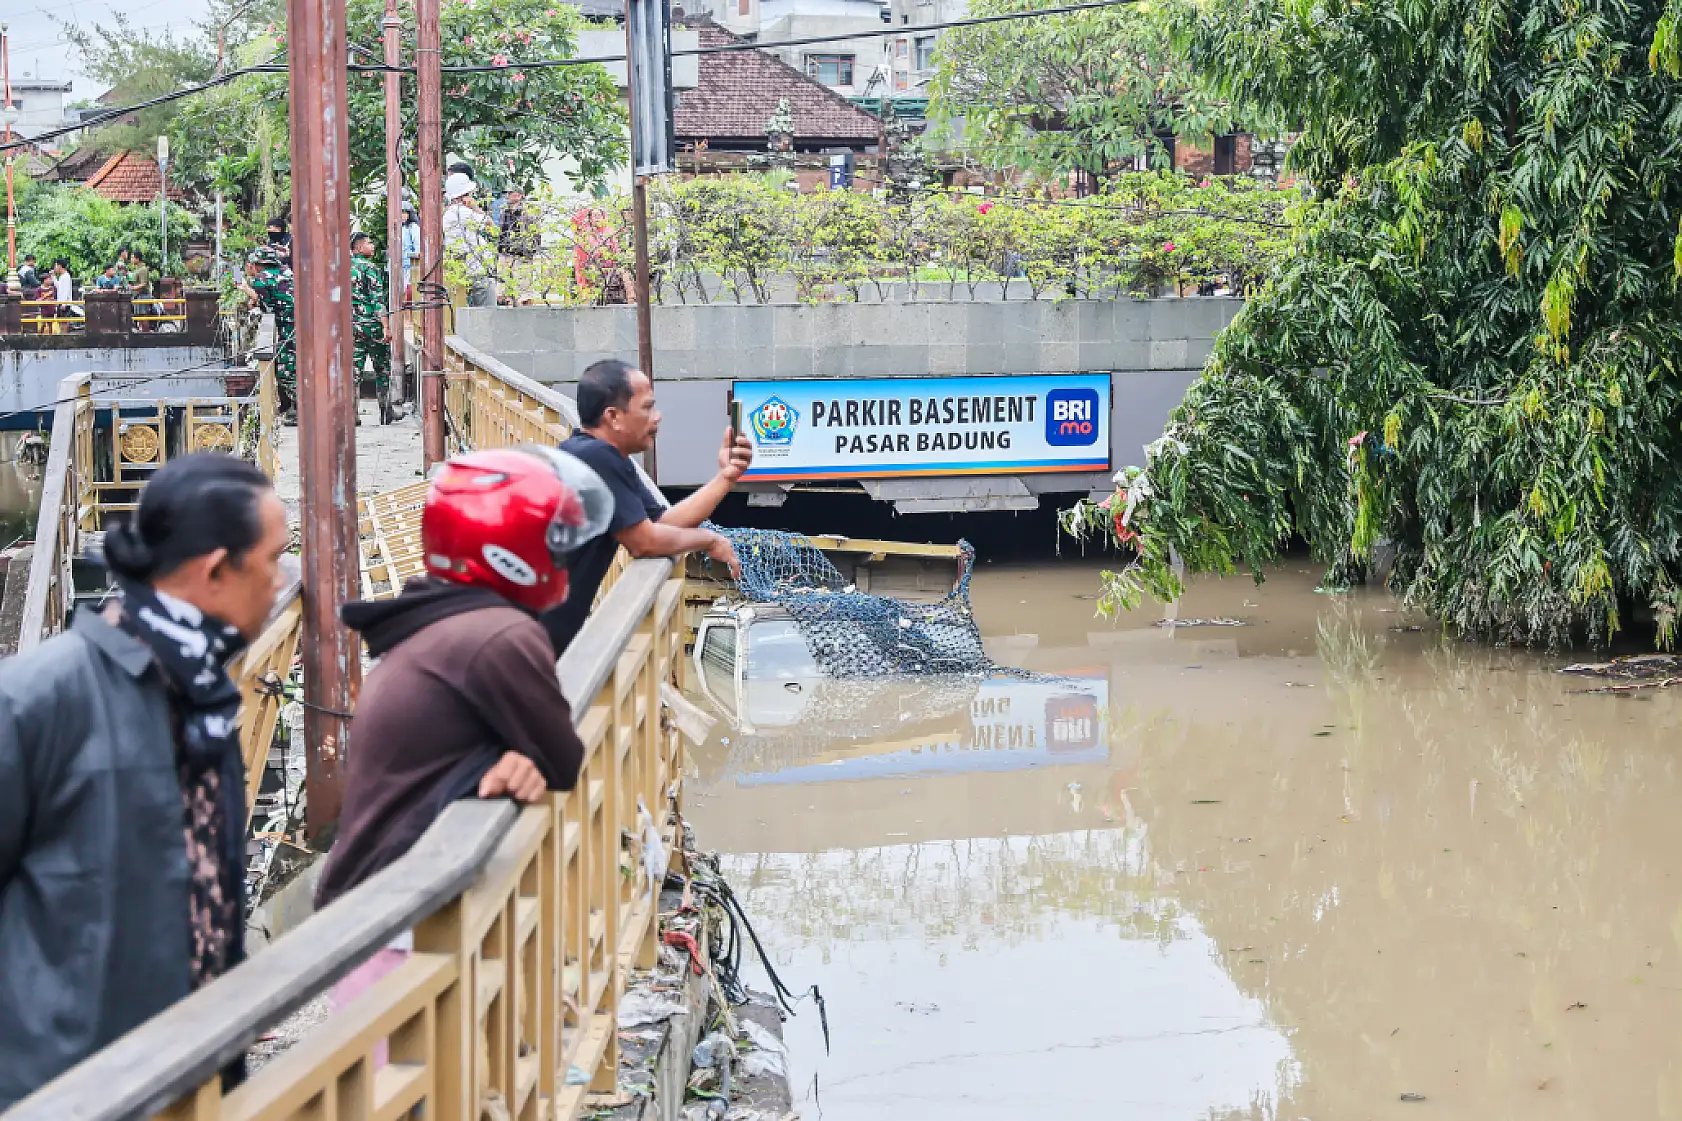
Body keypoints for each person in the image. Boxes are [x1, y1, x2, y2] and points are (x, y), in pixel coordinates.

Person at [0, 454, 290, 1110]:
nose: (280, 584)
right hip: (68, 1089)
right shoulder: (39, 697)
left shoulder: (203, 689)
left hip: (189, 1076)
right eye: (273, 560)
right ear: (215, 569)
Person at [314, 447, 611, 1022]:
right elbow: (562, 757)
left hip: (377, 907)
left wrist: (497, 759)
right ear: (511, 551)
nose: (565, 560)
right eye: (553, 543)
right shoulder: (500, 634)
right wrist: (512, 756)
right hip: (398, 922)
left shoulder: (438, 617)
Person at [540, 359, 749, 655]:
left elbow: (663, 523)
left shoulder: (596, 454)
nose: (657, 418)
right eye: (648, 408)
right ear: (613, 416)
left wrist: (726, 478)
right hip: (523, 638)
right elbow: (645, 543)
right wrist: (708, 539)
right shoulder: (598, 457)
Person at [238, 246, 298, 420]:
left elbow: (268, 309)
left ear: (257, 264)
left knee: (287, 370)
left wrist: (250, 293)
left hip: (289, 327)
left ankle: (299, 410)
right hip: (303, 324)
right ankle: (290, 406)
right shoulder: (287, 272)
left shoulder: (261, 280)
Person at [350, 232, 393, 425]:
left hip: (351, 327)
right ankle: (385, 409)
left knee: (353, 371)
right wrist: (386, 326)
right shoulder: (370, 268)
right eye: (369, 243)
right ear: (358, 248)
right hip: (372, 326)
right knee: (382, 368)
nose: (373, 245)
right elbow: (377, 300)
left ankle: (352, 414)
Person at [443, 172, 499, 308]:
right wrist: (475, 206)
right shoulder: (462, 212)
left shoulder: (450, 212)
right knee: (488, 313)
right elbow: (491, 226)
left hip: (465, 269)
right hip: (475, 270)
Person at [497, 187, 538, 260]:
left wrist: (530, 252)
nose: (507, 196)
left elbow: (535, 234)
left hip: (521, 256)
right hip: (504, 254)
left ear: (519, 196)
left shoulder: (528, 213)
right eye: (507, 193)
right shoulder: (504, 212)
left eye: (510, 193)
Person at [401, 202, 421, 295]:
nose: (403, 215)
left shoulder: (413, 227)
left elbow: (418, 245)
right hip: (400, 265)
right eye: (401, 212)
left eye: (405, 212)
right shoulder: (400, 228)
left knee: (409, 291)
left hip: (410, 264)